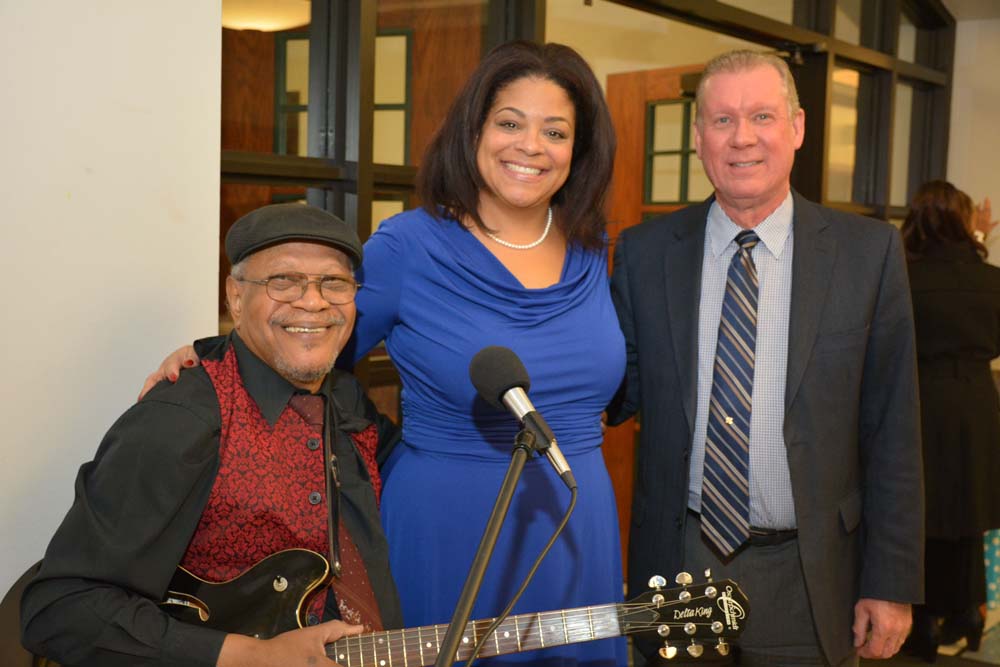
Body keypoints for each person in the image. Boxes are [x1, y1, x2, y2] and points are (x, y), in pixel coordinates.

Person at [141, 41, 626, 666]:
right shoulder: (410, 246)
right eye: (509, 122)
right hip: (448, 525)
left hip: (577, 522)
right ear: (473, 130)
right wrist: (213, 357)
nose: (530, 146)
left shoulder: (593, 249)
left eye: (554, 130)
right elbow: (308, 337)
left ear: (578, 150)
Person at [607, 50, 923, 666]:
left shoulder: (868, 254)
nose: (742, 137)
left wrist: (892, 584)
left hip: (811, 576)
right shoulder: (645, 254)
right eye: (721, 120)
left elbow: (895, 431)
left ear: (798, 128)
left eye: (761, 116)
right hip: (679, 564)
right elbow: (614, 391)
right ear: (697, 138)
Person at [21, 203, 403, 666]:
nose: (313, 301)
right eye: (283, 280)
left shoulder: (348, 403)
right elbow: (59, 609)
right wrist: (250, 655)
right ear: (236, 298)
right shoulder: (181, 420)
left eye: (334, 282)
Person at [900, 180, 1000, 661]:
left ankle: (922, 618)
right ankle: (967, 612)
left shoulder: (900, 277)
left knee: (918, 516)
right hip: (977, 406)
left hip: (916, 404)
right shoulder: (991, 280)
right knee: (967, 516)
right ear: (963, 225)